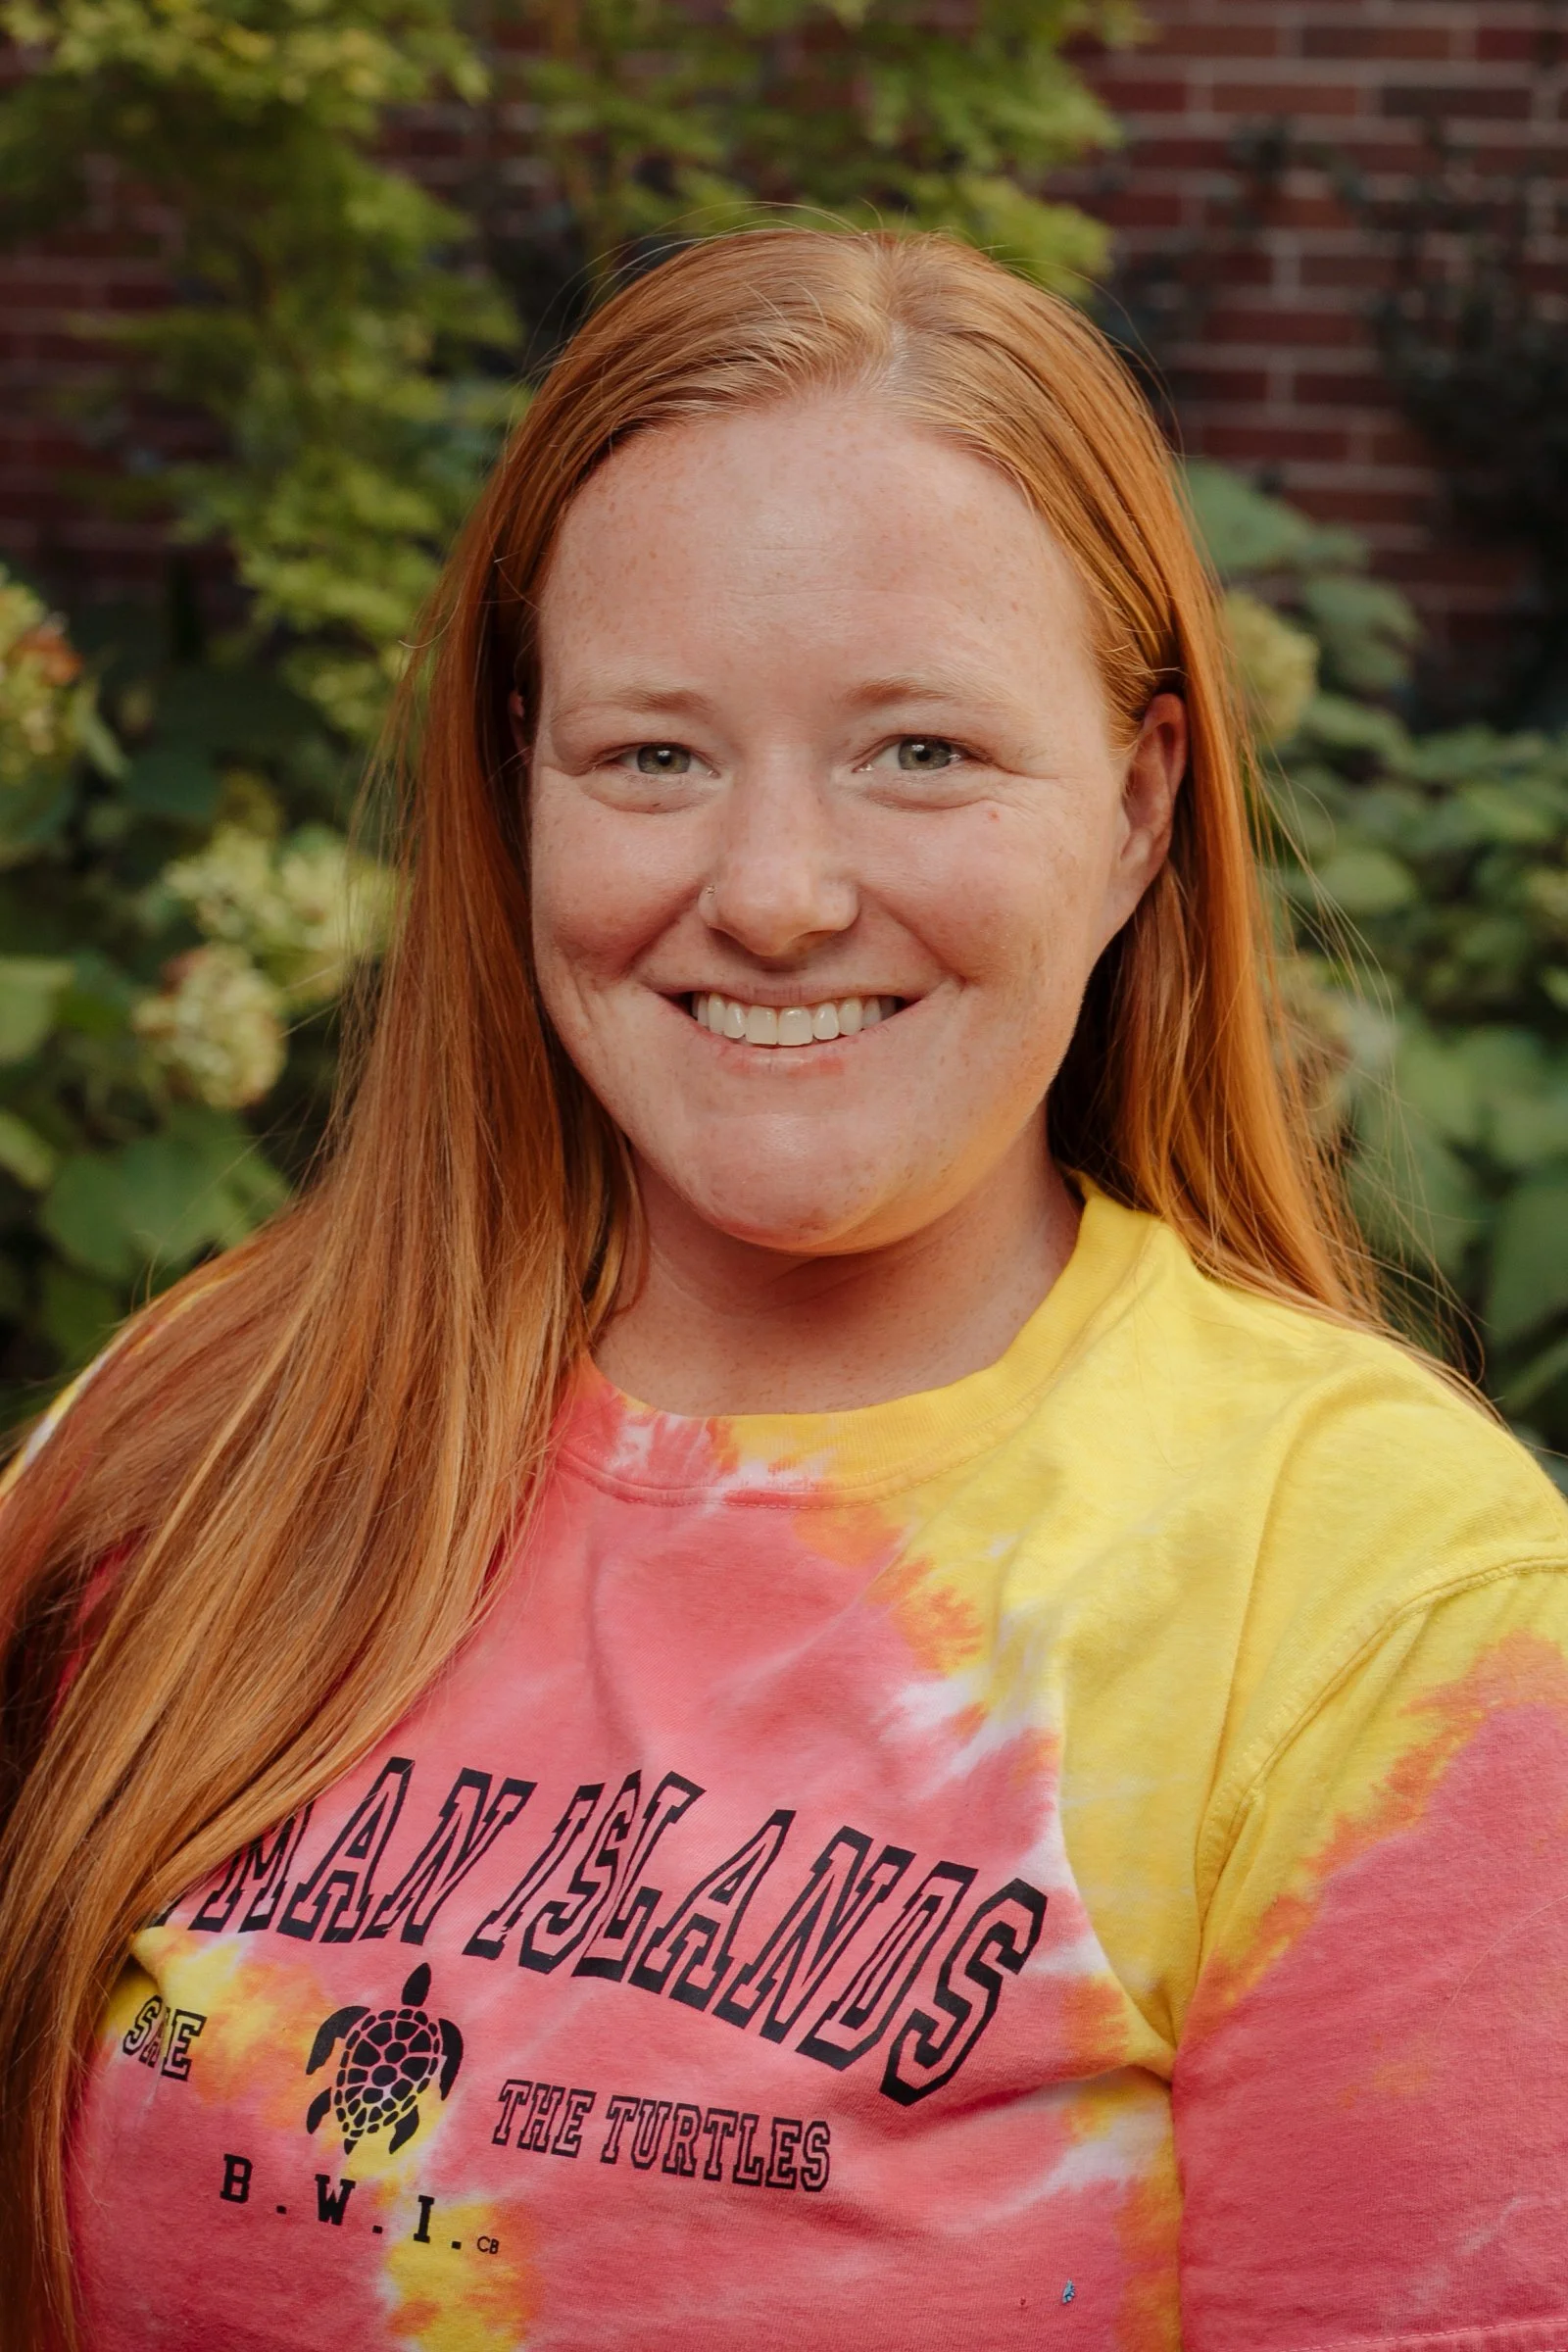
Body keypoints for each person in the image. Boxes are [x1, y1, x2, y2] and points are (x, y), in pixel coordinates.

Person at [2, 228, 1565, 2352]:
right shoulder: (197, 1432)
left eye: (918, 751)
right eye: (652, 757)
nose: (772, 894)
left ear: (1137, 806)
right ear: (519, 784)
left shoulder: (1381, 1603)